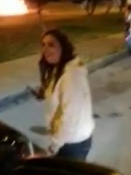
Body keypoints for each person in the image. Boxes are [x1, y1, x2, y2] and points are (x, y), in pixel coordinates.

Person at [35, 29, 94, 160]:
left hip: (73, 143)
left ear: (63, 47)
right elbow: (60, 92)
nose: (45, 49)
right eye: (43, 44)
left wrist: (52, 148)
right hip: (70, 139)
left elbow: (71, 120)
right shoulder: (61, 67)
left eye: (51, 45)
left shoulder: (72, 76)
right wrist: (45, 92)